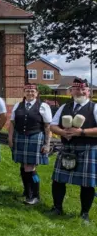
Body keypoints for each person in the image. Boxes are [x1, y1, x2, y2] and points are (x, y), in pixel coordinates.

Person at [49, 77, 97, 223]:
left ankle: (84, 214)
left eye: (83, 89)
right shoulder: (65, 107)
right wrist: (63, 133)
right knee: (58, 180)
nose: (79, 91)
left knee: (87, 183)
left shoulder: (94, 107)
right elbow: (52, 125)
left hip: (87, 148)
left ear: (89, 92)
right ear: (71, 91)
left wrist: (81, 132)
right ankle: (57, 208)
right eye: (76, 89)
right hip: (67, 147)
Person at [8, 83, 52, 205]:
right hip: (20, 137)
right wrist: (10, 138)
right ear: (24, 93)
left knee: (30, 168)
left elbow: (47, 126)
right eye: (27, 91)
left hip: (35, 137)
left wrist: (47, 144)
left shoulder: (43, 106)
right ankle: (27, 190)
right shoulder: (18, 105)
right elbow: (12, 123)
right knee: (23, 166)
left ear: (37, 93)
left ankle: (34, 195)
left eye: (32, 91)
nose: (30, 93)